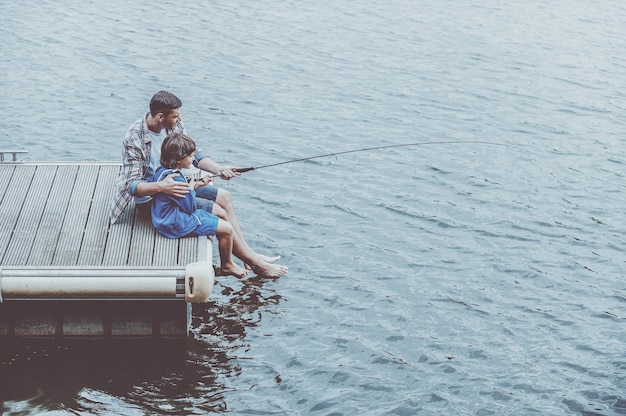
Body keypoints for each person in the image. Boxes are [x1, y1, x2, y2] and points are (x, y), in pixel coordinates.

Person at [109, 90, 287, 278]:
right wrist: (162, 187)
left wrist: (218, 170)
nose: (179, 119)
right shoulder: (134, 138)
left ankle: (248, 254)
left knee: (224, 196)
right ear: (161, 116)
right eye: (175, 116)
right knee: (218, 212)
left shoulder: (173, 125)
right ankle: (254, 263)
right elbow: (131, 185)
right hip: (152, 199)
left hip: (177, 186)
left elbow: (194, 154)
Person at [150, 133, 248, 278]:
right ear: (178, 159)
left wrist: (194, 184)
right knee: (227, 230)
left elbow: (180, 196)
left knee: (219, 217)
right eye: (190, 156)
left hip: (164, 218)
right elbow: (189, 208)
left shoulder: (163, 171)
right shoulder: (176, 181)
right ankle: (227, 265)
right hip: (174, 223)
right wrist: (190, 188)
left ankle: (240, 258)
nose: (193, 159)